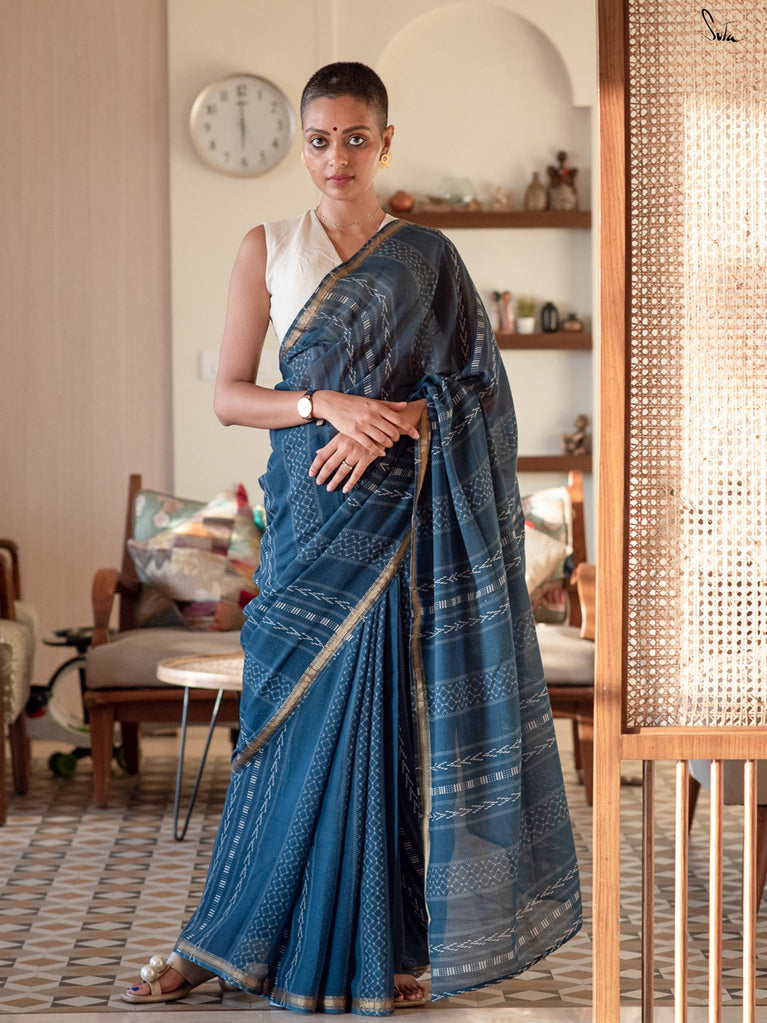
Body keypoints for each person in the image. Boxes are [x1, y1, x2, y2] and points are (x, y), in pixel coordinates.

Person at [123, 61, 582, 1015]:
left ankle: (388, 946)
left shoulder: (428, 258)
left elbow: (481, 391)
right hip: (307, 525)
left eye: (356, 139)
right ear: (303, 147)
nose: (337, 157)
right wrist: (323, 403)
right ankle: (221, 939)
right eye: (320, 140)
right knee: (283, 736)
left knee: (385, 736)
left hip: (397, 524)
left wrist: (411, 416)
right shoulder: (268, 246)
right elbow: (230, 395)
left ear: (385, 143)